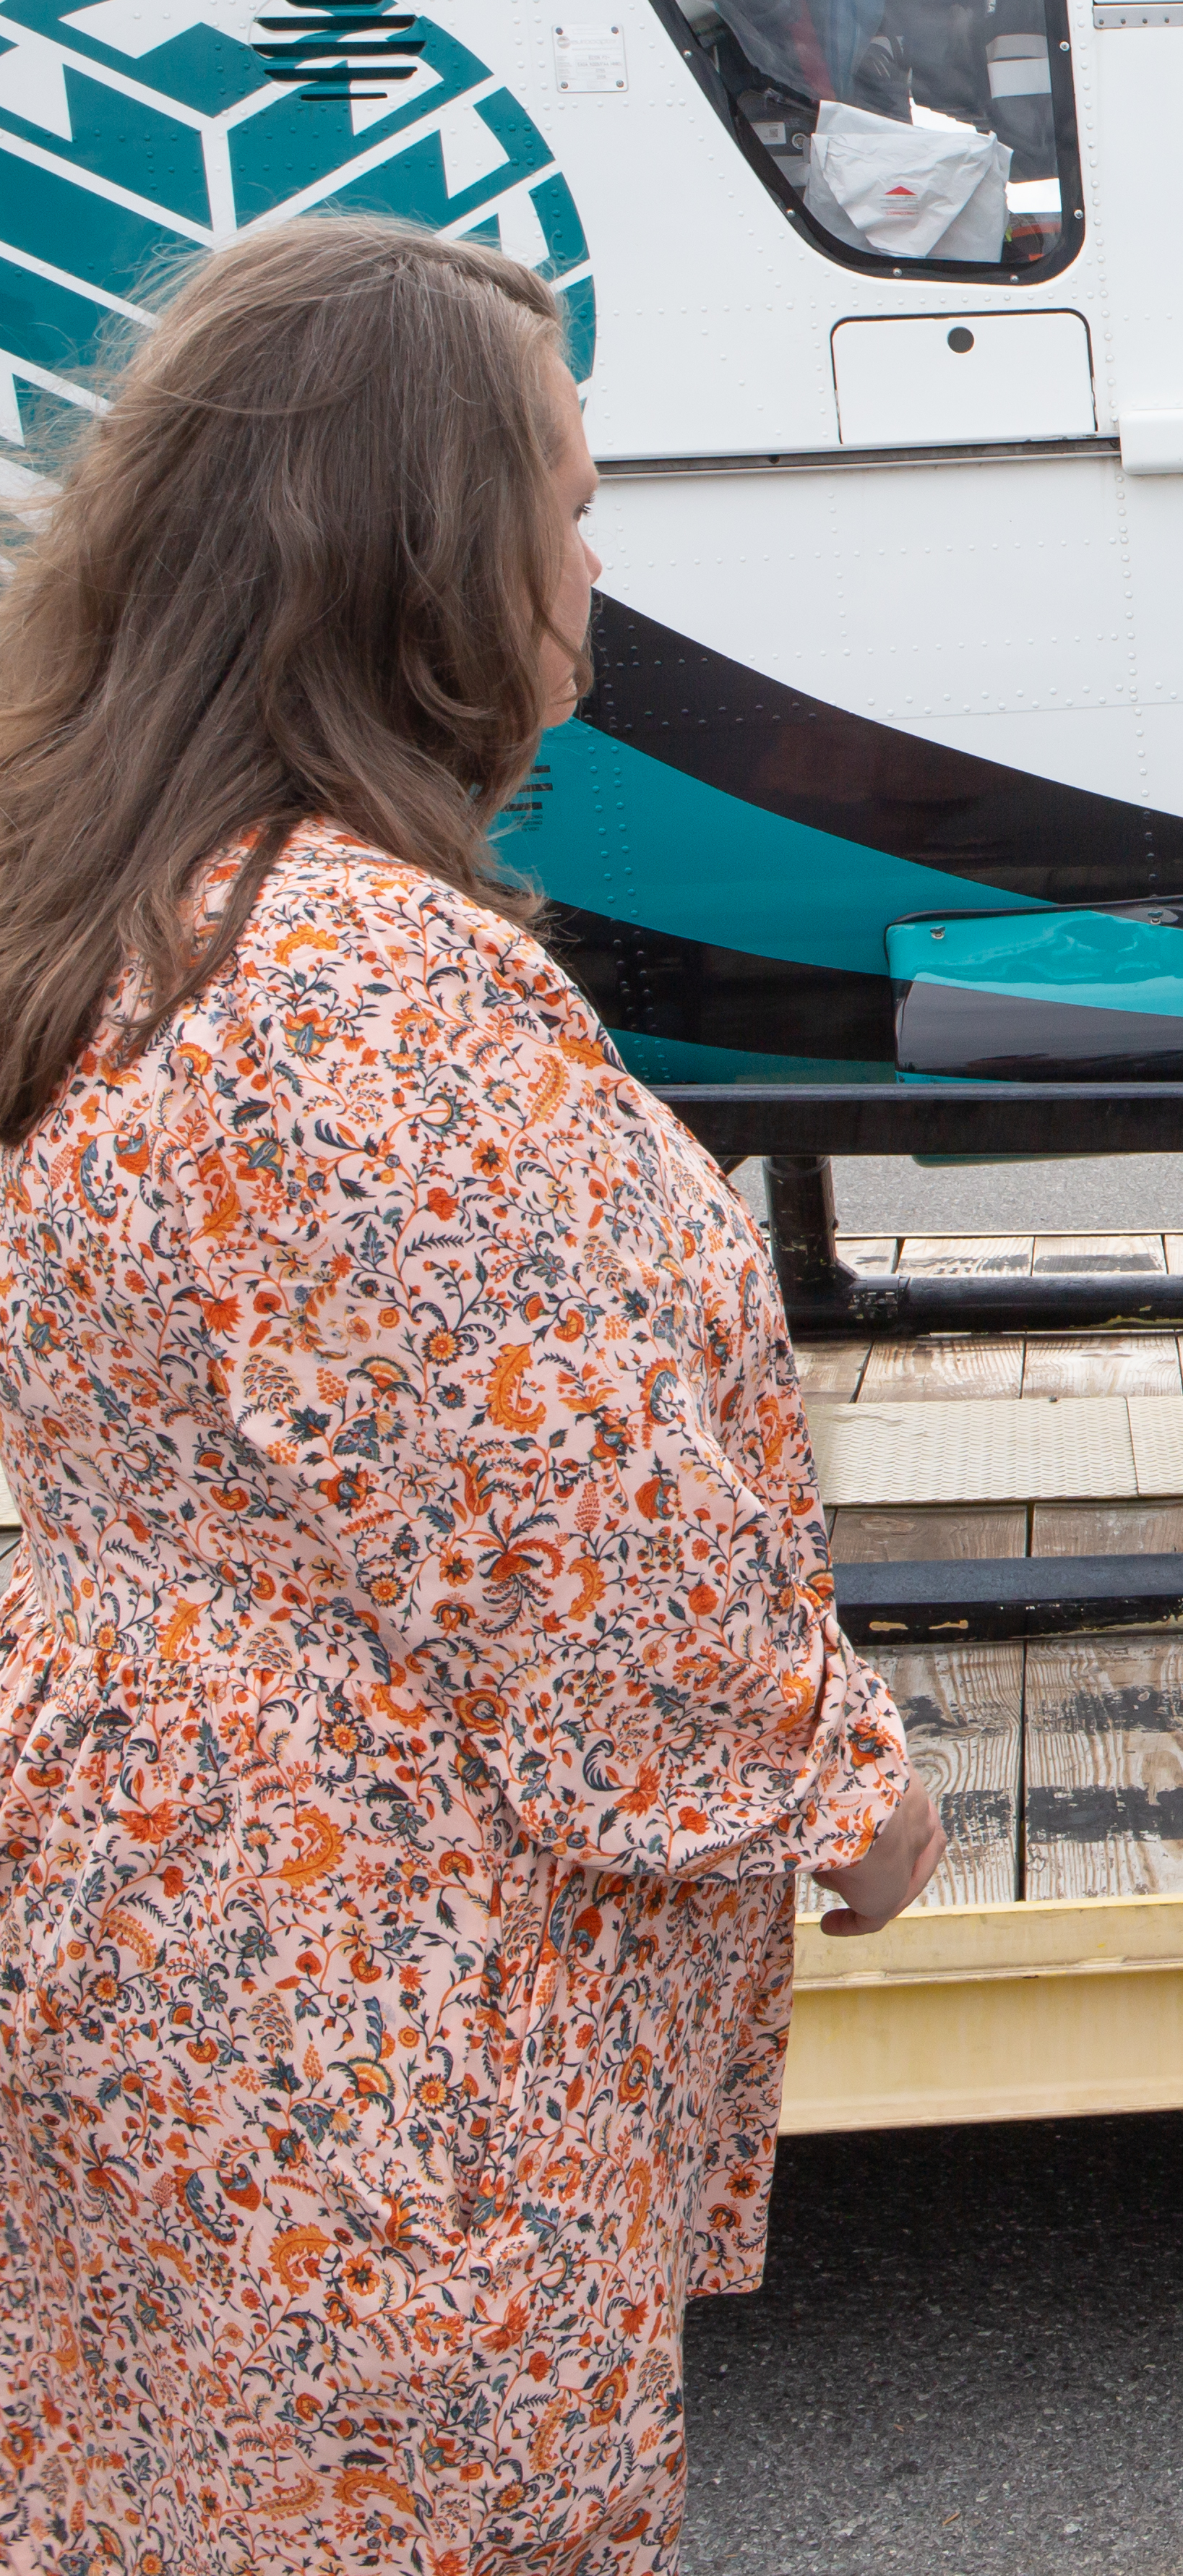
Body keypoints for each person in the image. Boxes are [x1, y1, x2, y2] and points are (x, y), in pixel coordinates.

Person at [0, 217, 941, 2568]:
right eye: (576, 509)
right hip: (371, 2000)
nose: (595, 582)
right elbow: (594, 1578)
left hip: (131, 1908)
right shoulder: (379, 999)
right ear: (430, 562)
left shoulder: (106, 910)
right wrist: (855, 1796)